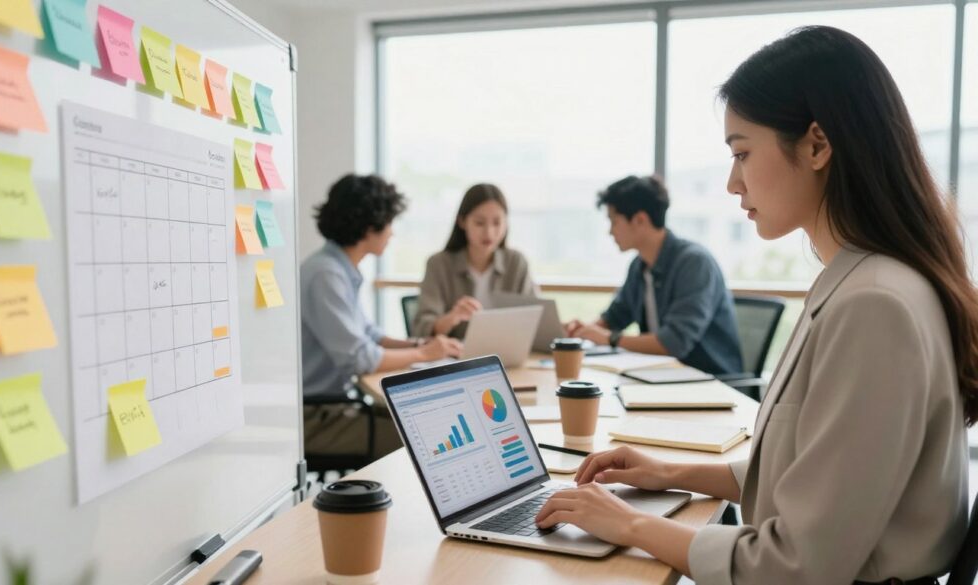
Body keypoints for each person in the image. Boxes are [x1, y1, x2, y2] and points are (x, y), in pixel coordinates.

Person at [536, 26, 975, 584]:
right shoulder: (860, 282)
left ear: (817, 145)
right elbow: (821, 476)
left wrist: (628, 525)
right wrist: (671, 470)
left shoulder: (876, 307)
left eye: (742, 152)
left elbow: (795, 564)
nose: (731, 183)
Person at [301, 174, 461, 458]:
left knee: (424, 424)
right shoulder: (326, 274)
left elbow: (371, 336)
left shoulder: (336, 269)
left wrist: (418, 346)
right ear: (368, 227)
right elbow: (360, 357)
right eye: (389, 223)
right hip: (315, 417)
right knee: (428, 438)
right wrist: (424, 354)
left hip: (334, 407)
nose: (392, 233)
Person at [564, 175, 742, 376]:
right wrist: (582, 331)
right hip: (662, 376)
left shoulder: (694, 263)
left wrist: (608, 338)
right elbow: (616, 316)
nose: (610, 232)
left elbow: (673, 343)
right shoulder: (639, 265)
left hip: (708, 382)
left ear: (640, 220)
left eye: (614, 221)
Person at [411, 183, 537, 339]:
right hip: (458, 358)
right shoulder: (438, 264)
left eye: (497, 223)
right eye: (479, 223)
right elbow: (421, 328)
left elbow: (537, 320)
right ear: (462, 221)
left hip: (508, 356)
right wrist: (453, 317)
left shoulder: (516, 262)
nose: (489, 232)